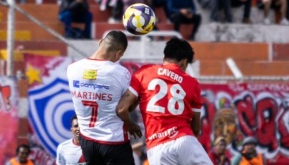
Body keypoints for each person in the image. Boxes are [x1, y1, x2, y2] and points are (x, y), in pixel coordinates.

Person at [116, 37, 212, 165]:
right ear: (184, 62)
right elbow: (196, 128)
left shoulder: (144, 72)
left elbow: (122, 109)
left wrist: (130, 124)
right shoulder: (192, 83)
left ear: (164, 58)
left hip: (157, 147)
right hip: (184, 139)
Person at [67, 30, 141, 165]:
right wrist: (130, 123)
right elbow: (125, 108)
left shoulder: (72, 69)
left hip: (87, 141)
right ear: (119, 53)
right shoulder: (121, 73)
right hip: (113, 141)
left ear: (100, 42)